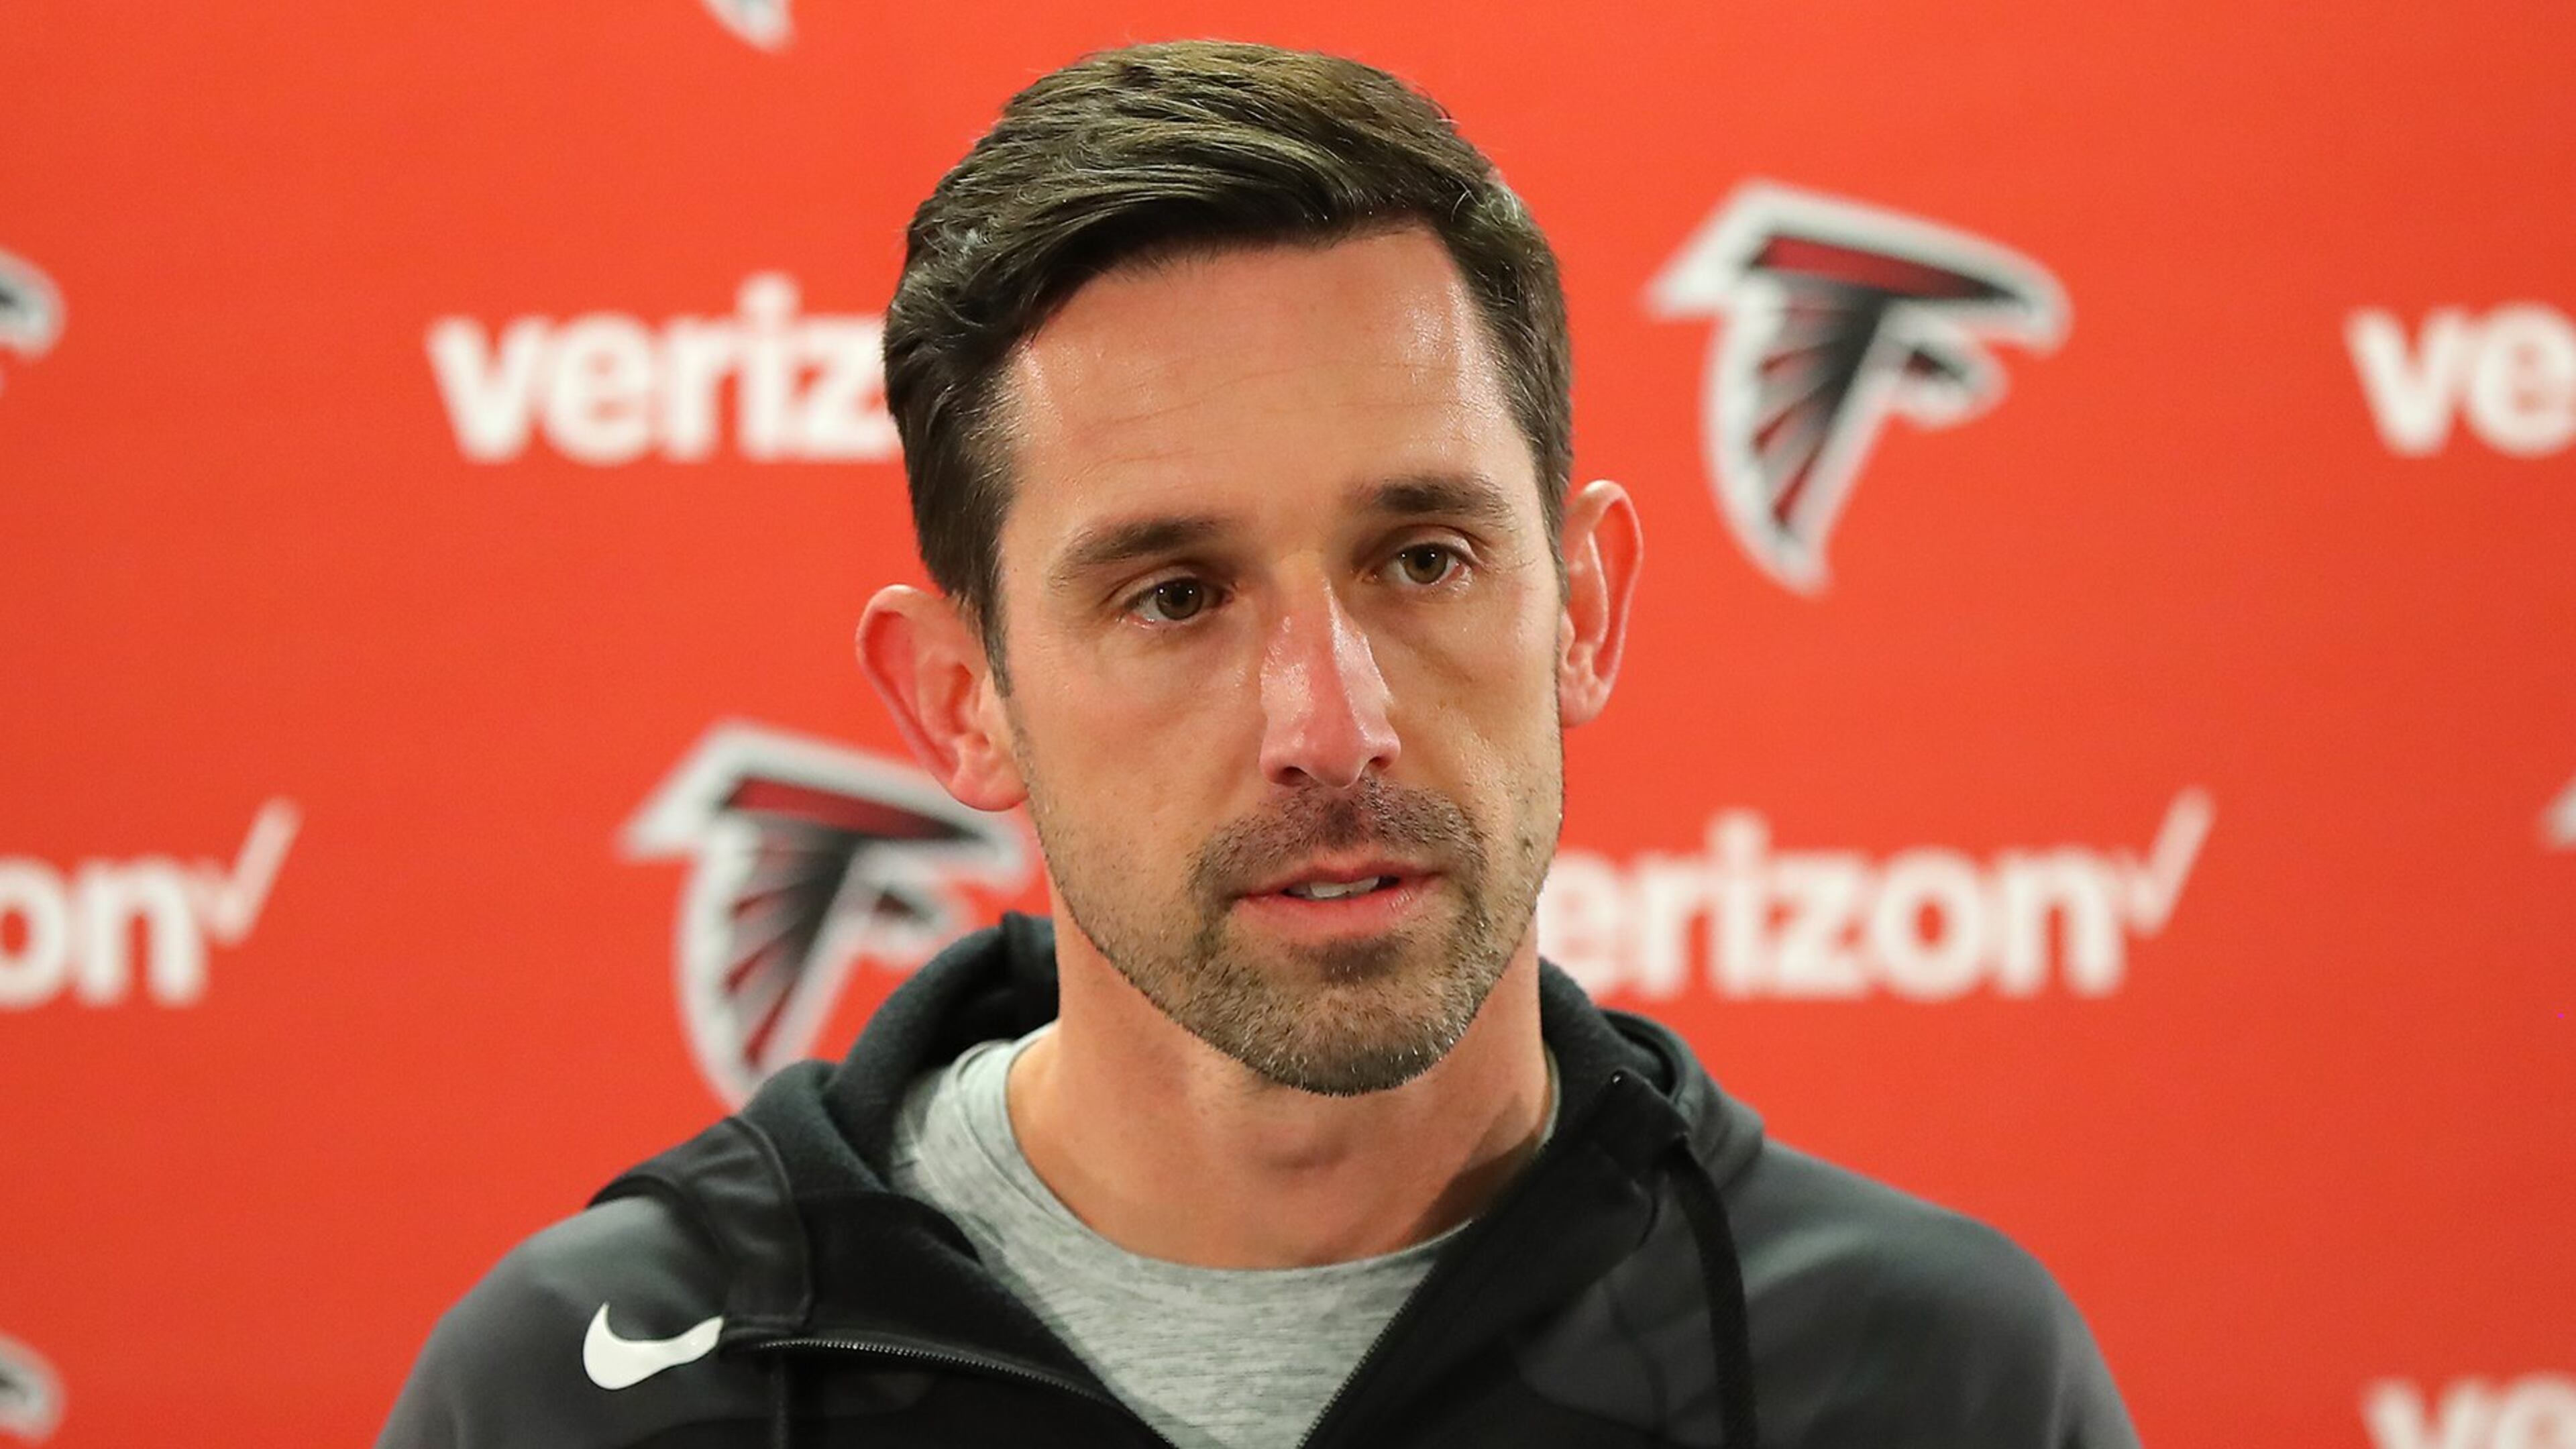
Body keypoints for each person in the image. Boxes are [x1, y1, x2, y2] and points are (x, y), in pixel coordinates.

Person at [378, 40, 2140, 1449]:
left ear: (1585, 608)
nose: (1333, 723)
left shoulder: (1928, 1384)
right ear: (958, 704)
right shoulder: (588, 1393)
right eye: (1172, 597)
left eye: (1423, 560)